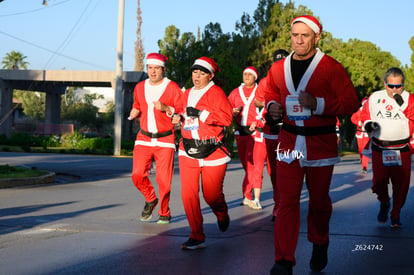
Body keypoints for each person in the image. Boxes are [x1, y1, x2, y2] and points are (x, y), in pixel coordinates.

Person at [265, 15, 360, 274]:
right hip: (289, 141)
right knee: (287, 202)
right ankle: (283, 260)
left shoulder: (331, 67)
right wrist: (273, 107)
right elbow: (271, 92)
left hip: (320, 142)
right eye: (295, 35)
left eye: (304, 35)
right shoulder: (277, 68)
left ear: (317, 37)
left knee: (318, 202)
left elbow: (351, 102)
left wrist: (318, 104)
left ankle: (320, 242)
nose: (298, 40)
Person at [173, 56, 233, 250]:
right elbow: (181, 114)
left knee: (211, 195)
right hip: (188, 148)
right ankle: (197, 235)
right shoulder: (186, 93)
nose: (196, 76)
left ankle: (222, 212)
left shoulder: (216, 93)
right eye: (194, 72)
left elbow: (226, 118)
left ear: (211, 75)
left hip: (212, 150)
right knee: (188, 194)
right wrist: (177, 118)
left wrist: (201, 113)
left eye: (201, 73)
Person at [129, 53, 185, 224]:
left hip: (165, 140)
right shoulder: (139, 87)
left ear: (163, 70)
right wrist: (135, 111)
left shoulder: (172, 88)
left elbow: (181, 111)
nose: (153, 72)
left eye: (156, 68)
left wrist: (166, 108)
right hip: (144, 138)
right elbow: (137, 105)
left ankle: (164, 212)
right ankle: (151, 199)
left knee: (164, 181)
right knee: (137, 175)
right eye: (150, 68)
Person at [360, 67, 414, 228]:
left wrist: (402, 104)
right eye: (391, 86)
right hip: (380, 147)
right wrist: (369, 126)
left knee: (402, 185)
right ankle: (384, 201)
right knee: (379, 181)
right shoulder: (375, 97)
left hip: (401, 148)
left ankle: (395, 214)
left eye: (399, 86)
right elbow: (365, 116)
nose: (395, 89)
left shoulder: (409, 98)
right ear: (385, 84)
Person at [255, 49, 289, 220]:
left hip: (291, 132)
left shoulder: (294, 80)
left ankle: (288, 205)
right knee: (274, 172)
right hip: (271, 132)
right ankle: (278, 205)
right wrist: (271, 104)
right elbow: (257, 100)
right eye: (277, 61)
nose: (280, 64)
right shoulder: (265, 81)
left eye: (283, 61)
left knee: (290, 170)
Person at [228, 66, 262, 208]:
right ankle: (248, 193)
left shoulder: (260, 91)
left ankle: (248, 195)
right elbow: (226, 109)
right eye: (245, 74)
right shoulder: (235, 92)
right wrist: (233, 112)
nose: (247, 76)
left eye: (250, 74)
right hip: (240, 132)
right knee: (246, 165)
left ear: (255, 77)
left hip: (256, 132)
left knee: (252, 166)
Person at [351, 98, 370, 173]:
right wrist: (358, 122)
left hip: (366, 134)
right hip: (359, 133)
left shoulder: (370, 112)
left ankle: (364, 166)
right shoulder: (358, 111)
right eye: (364, 103)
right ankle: (362, 159)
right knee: (361, 150)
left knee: (365, 150)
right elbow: (352, 118)